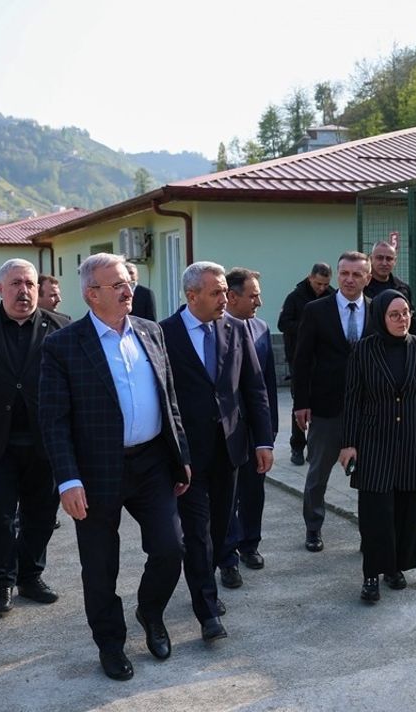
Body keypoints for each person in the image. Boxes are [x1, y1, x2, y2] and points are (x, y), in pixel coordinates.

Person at [39, 253, 191, 682]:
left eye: (128, 281)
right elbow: (53, 420)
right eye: (117, 284)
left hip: (153, 464)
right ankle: (110, 643)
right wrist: (68, 479)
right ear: (92, 293)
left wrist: (182, 458)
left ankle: (150, 611)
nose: (129, 290)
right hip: (95, 471)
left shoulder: (151, 331)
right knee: (100, 566)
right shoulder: (63, 345)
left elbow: (169, 399)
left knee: (170, 548)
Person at [159, 262, 273, 641]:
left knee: (221, 528)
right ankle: (207, 611)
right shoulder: (163, 334)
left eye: (226, 291)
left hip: (230, 449)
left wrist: (263, 440)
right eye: (216, 293)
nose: (225, 298)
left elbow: (253, 388)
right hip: (187, 454)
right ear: (192, 296)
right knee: (197, 532)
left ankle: (204, 580)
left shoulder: (237, 329)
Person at [0, 259, 70, 616]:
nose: (24, 291)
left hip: (46, 441)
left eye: (30, 283)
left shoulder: (62, 328)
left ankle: (30, 576)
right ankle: (1, 581)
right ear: (0, 289)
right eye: (15, 284)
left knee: (41, 513)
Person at [338, 290, 416, 602]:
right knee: (376, 511)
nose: (402, 319)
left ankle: (395, 567)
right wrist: (348, 443)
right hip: (373, 442)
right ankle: (372, 572)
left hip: (411, 440)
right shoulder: (364, 350)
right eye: (394, 315)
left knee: (406, 509)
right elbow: (352, 399)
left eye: (406, 313)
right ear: (381, 318)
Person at [292, 251, 372, 552]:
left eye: (356, 274)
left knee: (369, 477)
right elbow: (302, 360)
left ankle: (369, 532)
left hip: (367, 410)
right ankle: (313, 528)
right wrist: (302, 401)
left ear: (367, 277)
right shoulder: (316, 310)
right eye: (344, 273)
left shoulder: (377, 309)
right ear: (338, 275)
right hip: (326, 407)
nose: (349, 279)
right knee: (317, 473)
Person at [220, 267, 280, 582]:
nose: (259, 300)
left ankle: (250, 545)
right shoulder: (213, 330)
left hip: (254, 429)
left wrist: (268, 433)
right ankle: (227, 558)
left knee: (254, 491)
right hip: (226, 431)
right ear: (232, 296)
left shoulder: (260, 328)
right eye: (253, 294)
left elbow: (266, 386)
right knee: (227, 496)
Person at [278, 262, 332, 466]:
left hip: (324, 359)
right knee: (300, 404)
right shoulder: (295, 297)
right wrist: (308, 327)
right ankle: (297, 447)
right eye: (318, 283)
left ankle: (316, 447)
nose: (321, 288)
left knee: (321, 405)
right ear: (310, 278)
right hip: (299, 358)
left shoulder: (331, 296)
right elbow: (283, 323)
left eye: (325, 284)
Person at [364, 241, 416, 336]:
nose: (384, 263)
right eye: (379, 258)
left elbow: (413, 321)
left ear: (395, 261)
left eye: (389, 259)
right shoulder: (362, 287)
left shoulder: (402, 288)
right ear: (371, 259)